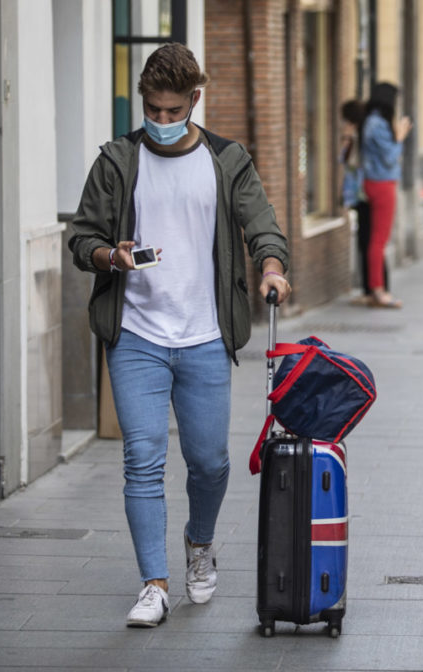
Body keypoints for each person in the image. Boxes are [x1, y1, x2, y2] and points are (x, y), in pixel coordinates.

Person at [67, 43, 290, 627]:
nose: (162, 122)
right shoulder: (117, 161)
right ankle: (153, 583)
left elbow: (262, 223)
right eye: (153, 110)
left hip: (204, 336)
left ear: (194, 100)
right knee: (142, 458)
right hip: (137, 334)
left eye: (173, 111)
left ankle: (199, 543)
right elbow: (81, 238)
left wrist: (271, 267)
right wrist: (108, 255)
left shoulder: (225, 160)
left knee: (210, 462)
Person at [360, 81, 411, 308]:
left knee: (375, 239)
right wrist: (399, 137)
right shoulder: (378, 124)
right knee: (379, 240)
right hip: (382, 184)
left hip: (374, 183)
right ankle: (378, 290)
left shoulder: (370, 122)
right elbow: (390, 157)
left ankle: (375, 289)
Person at [340, 99, 386, 303]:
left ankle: (375, 288)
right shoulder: (357, 137)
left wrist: (349, 140)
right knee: (365, 241)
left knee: (370, 241)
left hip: (365, 195)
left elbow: (349, 162)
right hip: (360, 196)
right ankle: (370, 289)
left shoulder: (363, 137)